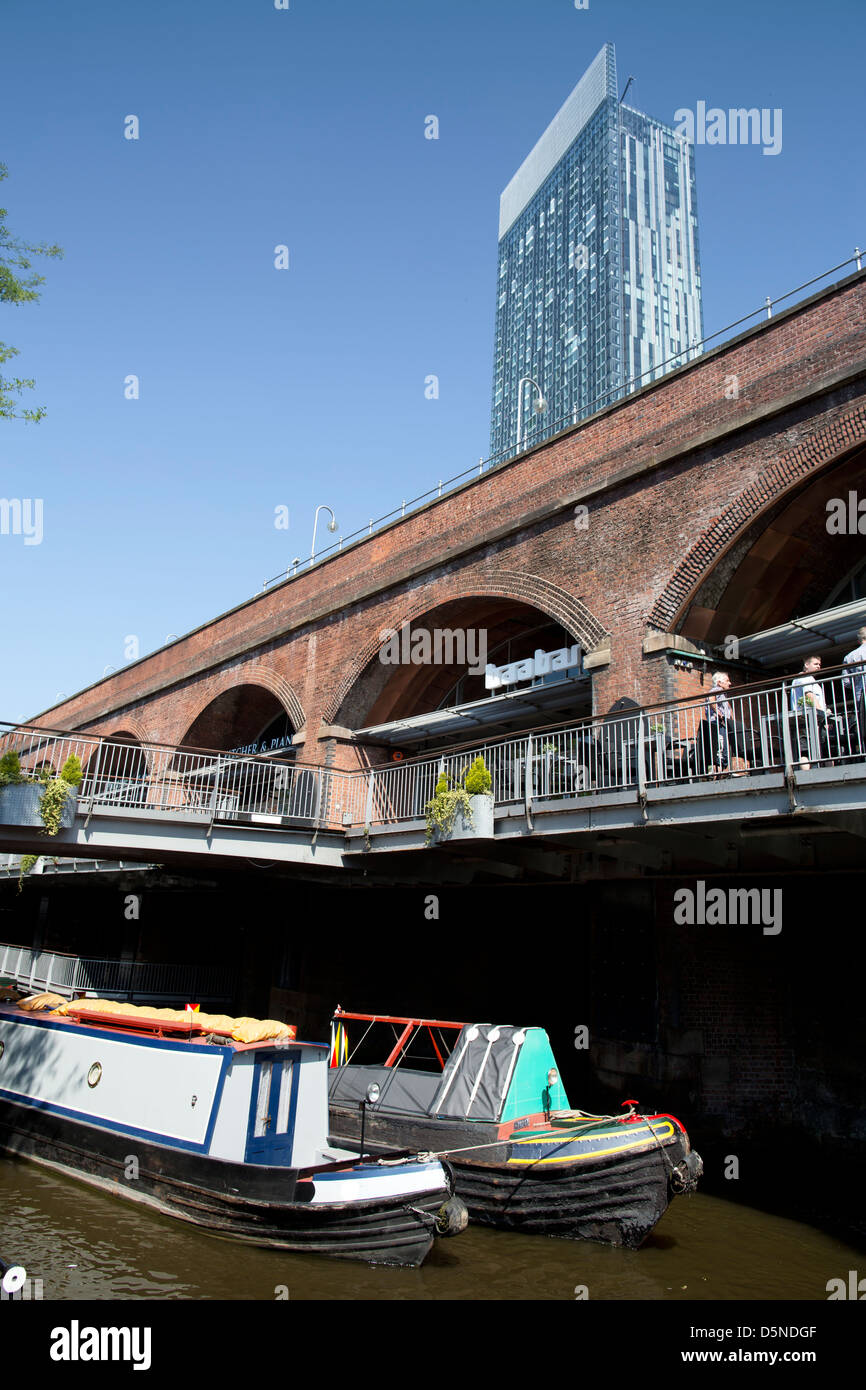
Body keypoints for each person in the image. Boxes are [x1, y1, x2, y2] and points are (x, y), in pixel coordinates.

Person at [789, 654, 830, 768]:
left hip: (812, 719)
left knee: (821, 749)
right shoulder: (804, 677)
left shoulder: (809, 679)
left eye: (819, 665)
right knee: (805, 750)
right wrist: (823, 715)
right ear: (806, 665)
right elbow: (810, 696)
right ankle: (806, 776)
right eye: (815, 664)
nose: (818, 666)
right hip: (806, 720)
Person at [703, 670, 734, 774]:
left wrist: (730, 718)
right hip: (717, 723)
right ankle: (718, 771)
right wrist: (719, 713)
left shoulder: (722, 694)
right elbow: (711, 699)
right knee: (720, 747)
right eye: (727, 681)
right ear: (719, 682)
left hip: (722, 723)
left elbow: (728, 707)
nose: (729, 683)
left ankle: (722, 770)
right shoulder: (717, 689)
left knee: (724, 747)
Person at [843, 627, 866, 755]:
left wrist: (857, 683)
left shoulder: (850, 656)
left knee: (864, 724)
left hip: (860, 695)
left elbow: (846, 682)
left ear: (859, 640)